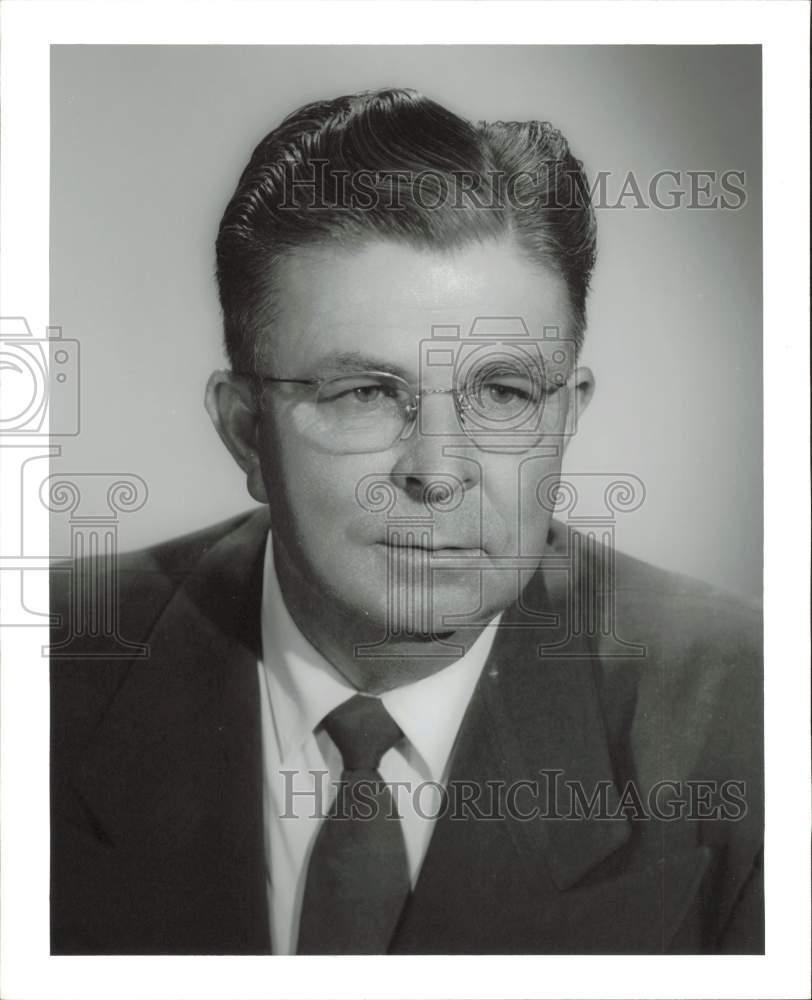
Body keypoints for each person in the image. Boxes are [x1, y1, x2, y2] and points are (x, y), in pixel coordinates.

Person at [50, 88, 762, 955]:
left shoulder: (749, 723)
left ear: (567, 414)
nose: (436, 471)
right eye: (365, 394)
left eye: (502, 394)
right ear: (245, 431)